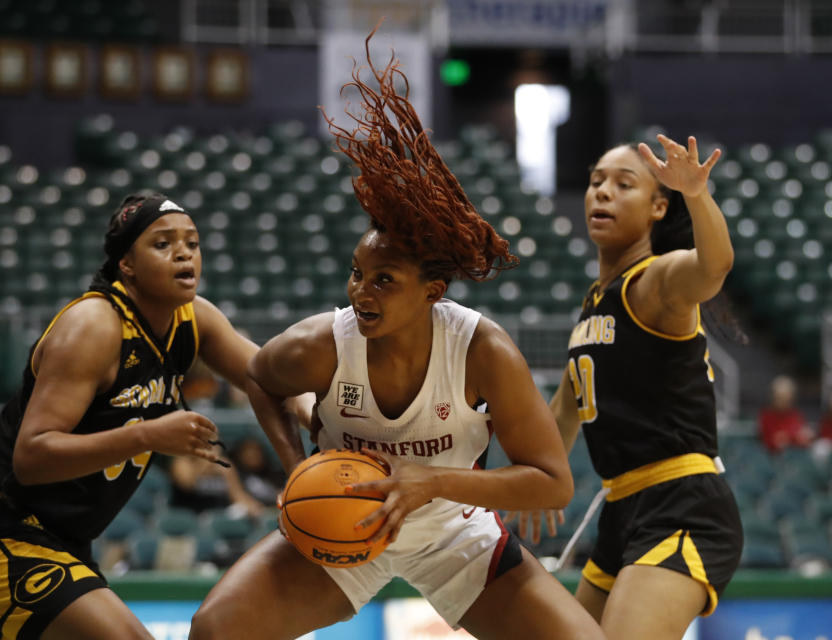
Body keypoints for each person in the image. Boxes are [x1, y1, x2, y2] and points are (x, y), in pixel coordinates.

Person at [188, 31, 605, 640]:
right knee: (215, 629)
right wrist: (293, 468)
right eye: (358, 274)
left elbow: (551, 481)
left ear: (433, 291)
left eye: (385, 281)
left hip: (453, 534)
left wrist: (432, 483)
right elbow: (258, 376)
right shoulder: (322, 344)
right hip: (343, 520)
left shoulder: (481, 350)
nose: (362, 292)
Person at [0, 191, 310, 640]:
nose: (184, 252)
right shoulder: (94, 325)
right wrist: (148, 435)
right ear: (126, 263)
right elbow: (31, 458)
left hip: (63, 536)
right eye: (163, 243)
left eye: (193, 242)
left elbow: (270, 378)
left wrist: (318, 425)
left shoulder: (195, 319)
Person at [520, 135, 744, 640]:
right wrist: (539, 477)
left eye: (624, 184)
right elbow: (564, 409)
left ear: (657, 207)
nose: (603, 192)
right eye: (597, 181)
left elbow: (714, 267)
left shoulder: (657, 281)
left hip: (681, 503)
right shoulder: (596, 300)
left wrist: (697, 193)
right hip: (622, 509)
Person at [758, 374, 811, 453]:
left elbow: (802, 437)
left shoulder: (795, 415)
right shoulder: (767, 416)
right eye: (780, 397)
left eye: (787, 397)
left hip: (794, 456)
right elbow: (770, 440)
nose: (784, 401)